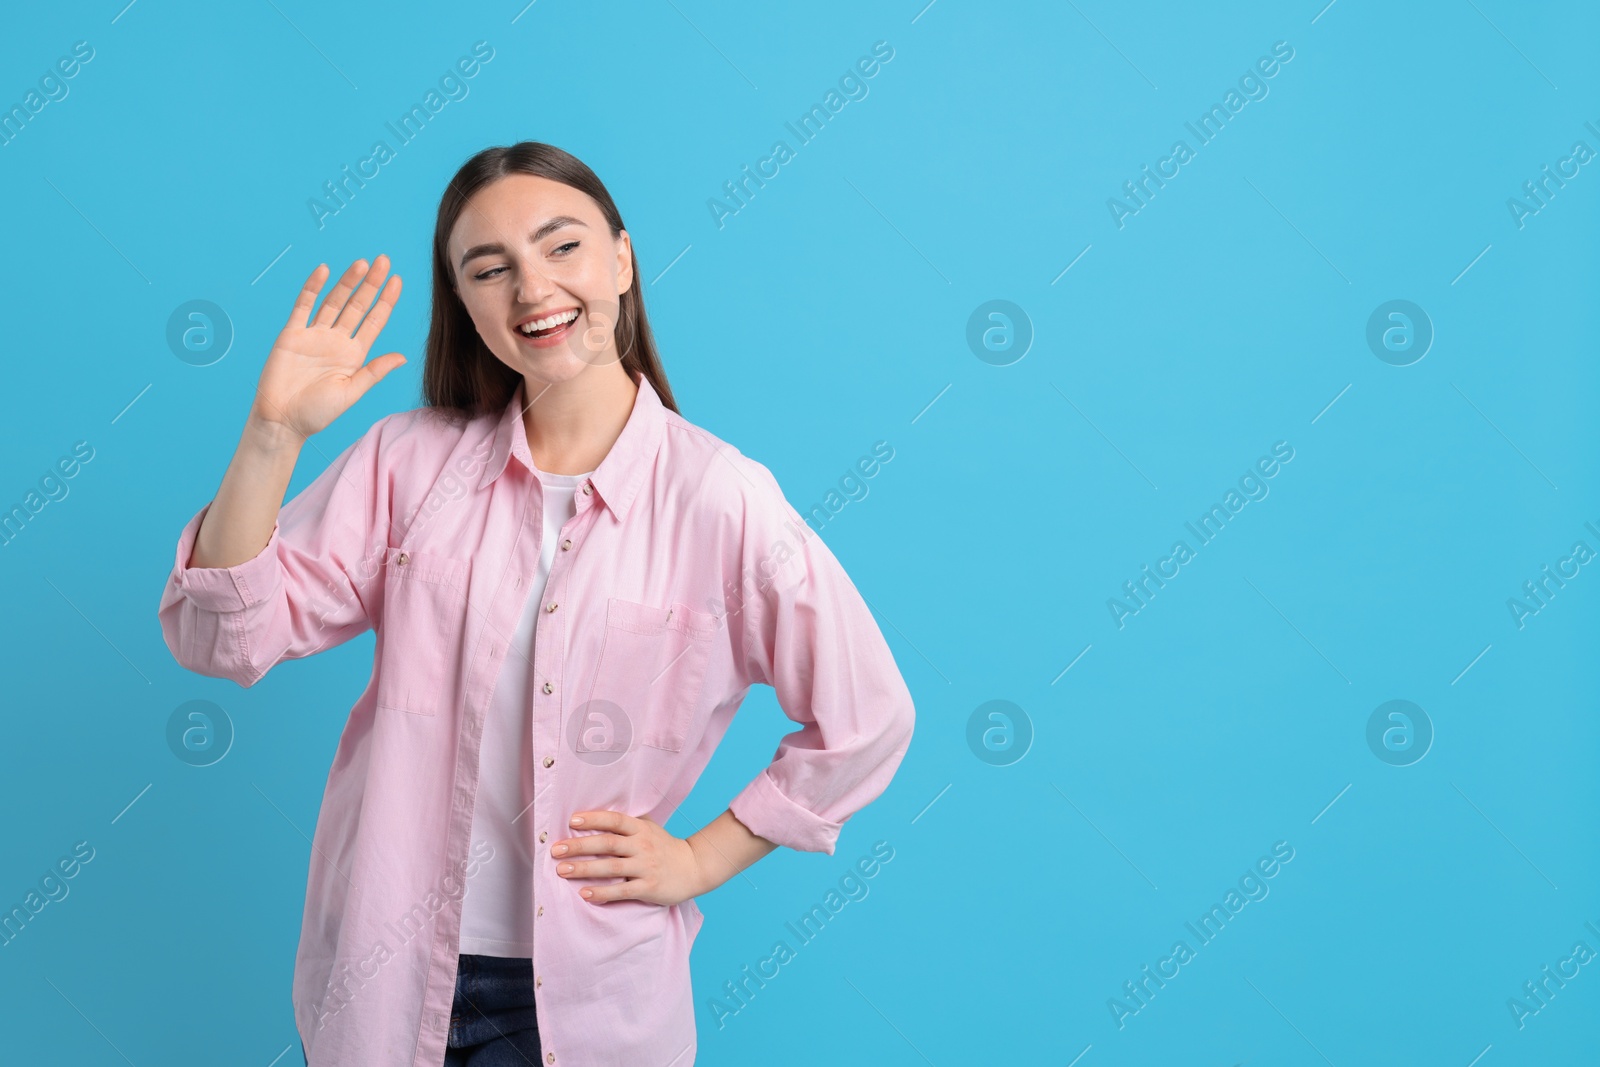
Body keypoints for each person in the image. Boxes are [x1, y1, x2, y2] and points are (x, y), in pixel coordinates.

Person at [156, 141, 916, 1067]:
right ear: (466, 304)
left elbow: (868, 716)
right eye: (490, 268)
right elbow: (222, 639)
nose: (532, 289)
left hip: (595, 1000)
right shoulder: (408, 462)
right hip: (387, 983)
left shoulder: (722, 497)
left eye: (562, 248)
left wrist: (699, 860)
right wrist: (271, 437)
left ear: (623, 261)